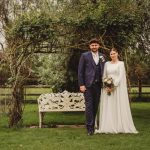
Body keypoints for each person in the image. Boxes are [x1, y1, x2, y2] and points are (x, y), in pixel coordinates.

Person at [95, 48, 138, 134]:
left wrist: (113, 85)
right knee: (109, 106)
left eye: (114, 53)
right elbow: (104, 75)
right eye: (111, 54)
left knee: (117, 105)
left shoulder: (121, 64)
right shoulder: (107, 64)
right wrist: (106, 85)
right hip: (107, 88)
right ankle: (108, 126)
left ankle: (119, 126)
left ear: (117, 54)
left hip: (117, 88)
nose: (112, 55)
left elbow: (121, 76)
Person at [78, 38, 106, 135]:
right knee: (89, 106)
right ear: (90, 46)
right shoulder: (84, 56)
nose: (94, 47)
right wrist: (81, 84)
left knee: (95, 106)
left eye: (96, 45)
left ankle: (92, 126)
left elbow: (105, 70)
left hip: (98, 86)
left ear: (99, 46)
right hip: (88, 86)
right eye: (92, 45)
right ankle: (89, 128)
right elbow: (80, 71)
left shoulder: (102, 56)